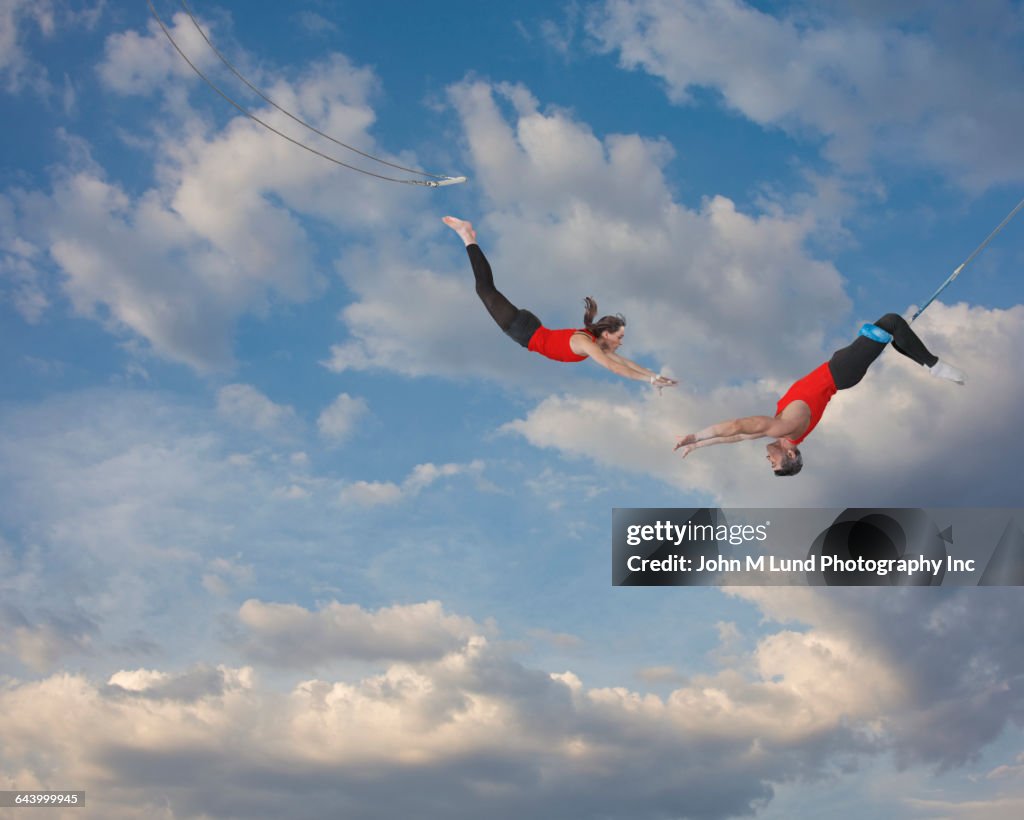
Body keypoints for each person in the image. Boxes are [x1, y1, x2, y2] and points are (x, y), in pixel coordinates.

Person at [674, 313, 966, 475]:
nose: (769, 461)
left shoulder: (780, 432)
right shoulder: (784, 428)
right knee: (891, 322)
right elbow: (737, 426)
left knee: (890, 332)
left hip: (838, 369)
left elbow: (736, 436)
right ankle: (933, 364)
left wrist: (697, 445)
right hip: (841, 371)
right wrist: (696, 435)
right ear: (790, 453)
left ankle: (923, 359)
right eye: (775, 463)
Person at [443, 216, 677, 388]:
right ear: (607, 335)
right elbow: (615, 367)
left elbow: (625, 362)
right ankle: (467, 235)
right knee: (484, 288)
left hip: (530, 329)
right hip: (523, 330)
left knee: (485, 289)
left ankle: (468, 237)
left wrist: (653, 376)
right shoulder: (586, 343)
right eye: (620, 337)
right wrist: (648, 379)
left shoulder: (594, 344)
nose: (621, 343)